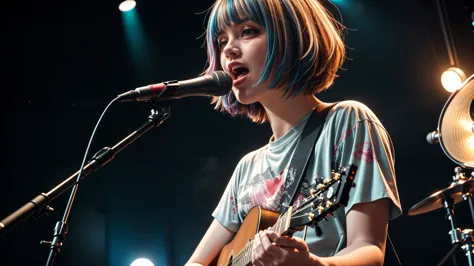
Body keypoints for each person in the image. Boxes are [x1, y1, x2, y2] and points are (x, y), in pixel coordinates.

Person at [186, 0, 402, 265]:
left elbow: (369, 249)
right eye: (221, 41)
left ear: (291, 36)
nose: (229, 49)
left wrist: (312, 263)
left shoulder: (347, 122)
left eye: (248, 31)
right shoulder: (247, 167)